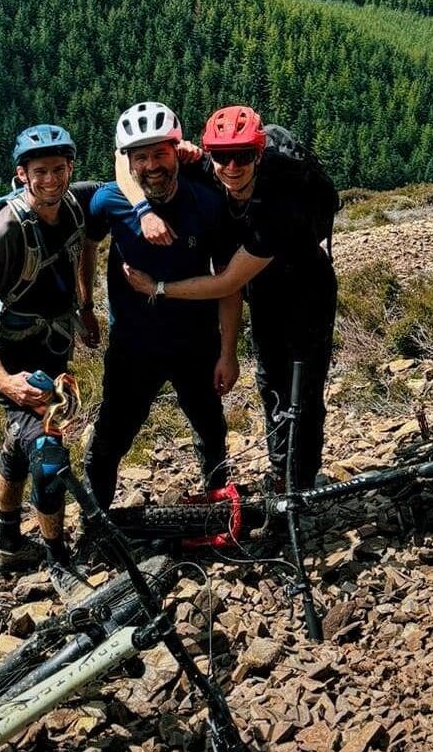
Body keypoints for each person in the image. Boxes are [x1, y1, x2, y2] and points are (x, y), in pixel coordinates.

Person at [123, 106, 337, 491]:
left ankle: (299, 482)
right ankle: (281, 472)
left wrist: (158, 288)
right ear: (210, 153)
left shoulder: (279, 207)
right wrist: (142, 210)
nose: (232, 166)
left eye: (243, 156)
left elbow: (225, 283)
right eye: (222, 156)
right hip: (266, 288)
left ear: (258, 153)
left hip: (307, 288)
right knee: (271, 378)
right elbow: (124, 159)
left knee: (302, 386)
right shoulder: (206, 166)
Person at [0, 123, 100, 598]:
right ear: (22, 175)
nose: (52, 180)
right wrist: (5, 382)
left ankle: (7, 542)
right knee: (49, 452)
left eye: (59, 169)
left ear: (70, 168)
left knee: (22, 443)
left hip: (56, 345)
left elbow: (93, 233)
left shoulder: (77, 202)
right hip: (16, 361)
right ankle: (59, 561)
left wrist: (85, 305)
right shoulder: (4, 235)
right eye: (41, 172)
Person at [81, 101, 242, 509]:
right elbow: (88, 243)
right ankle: (97, 523)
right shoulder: (110, 201)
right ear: (128, 163)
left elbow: (228, 283)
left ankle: (218, 506)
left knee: (210, 428)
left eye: (160, 153)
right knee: (111, 435)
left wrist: (228, 352)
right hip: (133, 345)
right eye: (141, 157)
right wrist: (84, 304)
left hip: (196, 341)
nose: (152, 165)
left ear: (178, 151)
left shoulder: (207, 203)